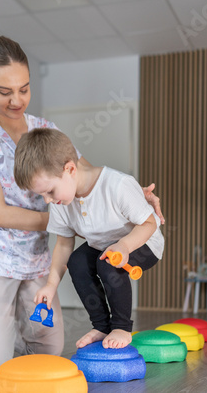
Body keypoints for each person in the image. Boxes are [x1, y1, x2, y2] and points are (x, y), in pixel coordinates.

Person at [0, 35, 164, 372]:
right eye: (5, 92)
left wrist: (132, 195)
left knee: (48, 355)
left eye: (24, 89)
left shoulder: (45, 129)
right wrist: (69, 221)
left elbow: (85, 178)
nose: (16, 100)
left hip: (35, 260)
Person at [14, 128, 165, 349]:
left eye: (50, 191)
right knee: (77, 262)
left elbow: (149, 224)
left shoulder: (118, 186)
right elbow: (64, 244)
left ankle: (121, 327)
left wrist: (123, 246)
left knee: (107, 265)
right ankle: (102, 326)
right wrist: (50, 285)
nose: (47, 199)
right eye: (42, 195)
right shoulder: (61, 202)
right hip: (104, 246)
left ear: (70, 169)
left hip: (144, 241)